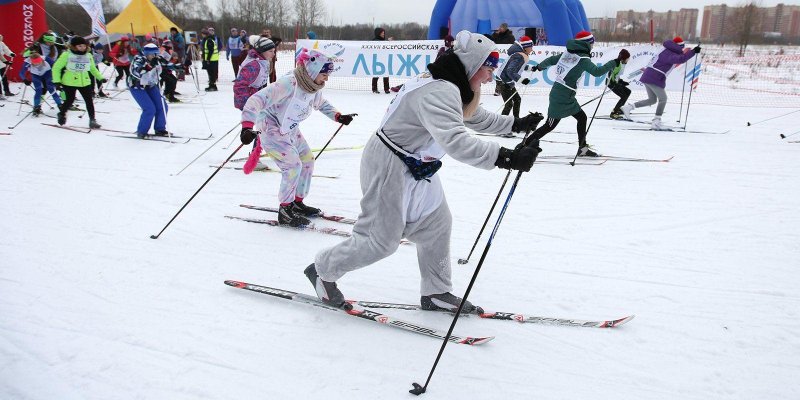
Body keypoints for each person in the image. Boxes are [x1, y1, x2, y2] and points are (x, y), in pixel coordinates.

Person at [304, 30, 543, 311]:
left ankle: (436, 291)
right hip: (389, 164)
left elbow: (471, 115)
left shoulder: (450, 85)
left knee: (436, 225)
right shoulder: (439, 90)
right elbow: (456, 141)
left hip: (418, 165)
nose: (490, 77)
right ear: (473, 65)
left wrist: (515, 125)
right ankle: (322, 270)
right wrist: (506, 157)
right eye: (488, 69)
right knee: (379, 242)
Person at [239, 49, 354, 227]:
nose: (326, 79)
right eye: (324, 74)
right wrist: (247, 126)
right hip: (271, 128)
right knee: (293, 165)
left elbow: (321, 103)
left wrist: (338, 116)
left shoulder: (312, 86)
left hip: (290, 128)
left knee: (307, 160)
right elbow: (256, 99)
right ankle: (285, 210)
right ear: (313, 71)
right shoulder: (289, 83)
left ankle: (297, 203)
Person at [529, 31, 625, 157]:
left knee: (582, 118)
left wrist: (540, 67)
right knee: (549, 125)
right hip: (561, 96)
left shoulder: (568, 53)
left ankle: (582, 148)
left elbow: (551, 60)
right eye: (592, 43)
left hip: (565, 94)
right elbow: (597, 72)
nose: (593, 46)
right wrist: (614, 62)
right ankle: (526, 145)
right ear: (587, 44)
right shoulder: (583, 59)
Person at [621, 37, 700, 129]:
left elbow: (679, 58)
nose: (682, 48)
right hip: (654, 77)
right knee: (663, 99)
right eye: (682, 46)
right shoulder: (669, 53)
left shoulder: (667, 50)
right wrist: (693, 52)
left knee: (652, 100)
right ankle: (656, 120)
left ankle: (628, 108)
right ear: (678, 46)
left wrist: (691, 51)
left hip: (650, 76)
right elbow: (681, 59)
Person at [52, 36, 105, 128]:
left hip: (84, 81)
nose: (82, 48)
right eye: (79, 46)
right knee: (69, 100)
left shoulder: (88, 55)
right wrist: (57, 81)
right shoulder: (66, 55)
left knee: (89, 101)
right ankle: (61, 114)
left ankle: (92, 120)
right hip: (69, 82)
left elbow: (92, 68)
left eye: (84, 46)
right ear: (74, 46)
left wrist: (100, 77)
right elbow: (56, 68)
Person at [129, 43, 170, 138]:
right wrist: (148, 67)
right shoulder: (139, 59)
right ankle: (142, 131)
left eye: (156, 54)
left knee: (162, 106)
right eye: (152, 54)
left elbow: (165, 65)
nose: (154, 56)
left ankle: (160, 129)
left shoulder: (156, 59)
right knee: (150, 109)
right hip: (137, 86)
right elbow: (135, 72)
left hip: (150, 85)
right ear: (146, 53)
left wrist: (177, 66)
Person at [496, 35, 534, 119]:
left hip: (507, 80)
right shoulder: (519, 56)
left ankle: (516, 120)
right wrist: (521, 80)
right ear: (525, 47)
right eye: (531, 47)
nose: (532, 49)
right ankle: (500, 124)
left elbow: (518, 67)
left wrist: (531, 68)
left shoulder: (519, 54)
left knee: (517, 100)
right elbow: (510, 71)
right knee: (509, 104)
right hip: (503, 80)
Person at [233, 36, 275, 110]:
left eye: (274, 51)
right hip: (249, 103)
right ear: (262, 51)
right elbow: (240, 85)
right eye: (270, 51)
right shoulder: (253, 65)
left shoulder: (262, 61)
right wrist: (247, 106)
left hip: (256, 100)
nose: (273, 54)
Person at [607, 49, 631, 119]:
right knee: (623, 96)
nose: (628, 60)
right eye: (627, 58)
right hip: (611, 83)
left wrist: (621, 82)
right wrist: (614, 83)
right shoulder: (618, 64)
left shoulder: (622, 64)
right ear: (624, 58)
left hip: (615, 82)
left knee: (628, 91)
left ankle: (620, 109)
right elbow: (610, 74)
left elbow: (616, 75)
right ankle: (614, 113)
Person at [371, 27, 390, 94]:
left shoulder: (384, 41)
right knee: (376, 75)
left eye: (384, 33)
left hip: (384, 59)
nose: (383, 34)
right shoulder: (374, 41)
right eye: (382, 33)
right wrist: (387, 42)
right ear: (378, 33)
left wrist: (389, 42)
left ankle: (386, 89)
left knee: (386, 75)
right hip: (377, 61)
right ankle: (374, 88)